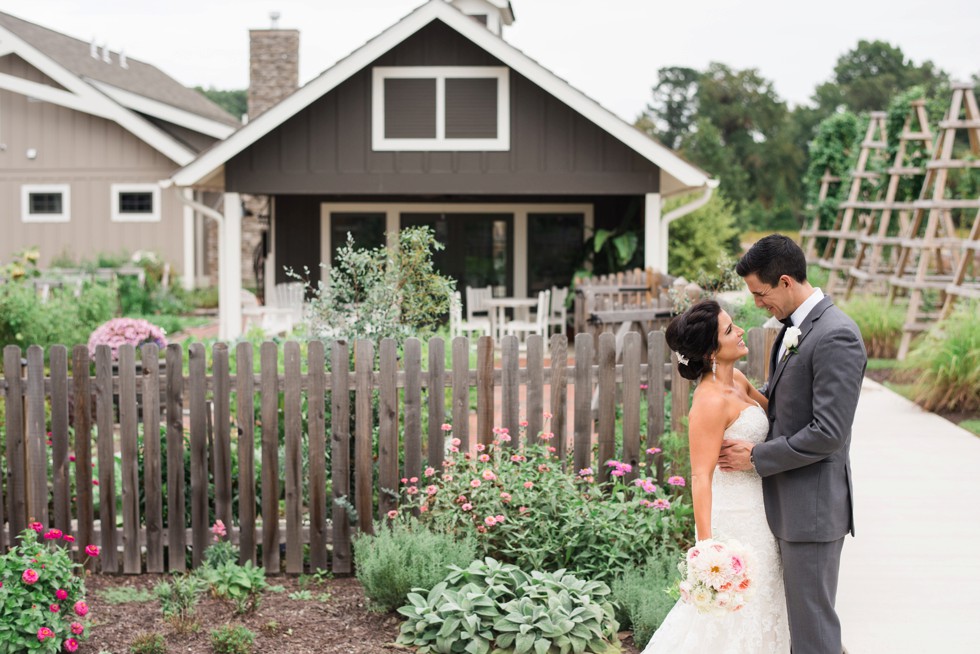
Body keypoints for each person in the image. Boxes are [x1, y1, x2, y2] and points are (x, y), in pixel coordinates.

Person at [718, 234, 866, 654]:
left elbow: (828, 432)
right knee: (801, 628)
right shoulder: (794, 329)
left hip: (813, 508)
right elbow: (786, 403)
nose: (758, 303)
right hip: (789, 505)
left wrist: (756, 456)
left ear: (785, 281)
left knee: (814, 633)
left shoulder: (837, 335)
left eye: (760, 294)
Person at [643, 299, 790, 653]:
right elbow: (700, 477)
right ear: (711, 352)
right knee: (731, 614)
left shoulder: (738, 379)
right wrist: (707, 548)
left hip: (760, 511)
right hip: (733, 521)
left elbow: (775, 412)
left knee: (766, 602)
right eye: (729, 330)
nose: (740, 331)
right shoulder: (708, 402)